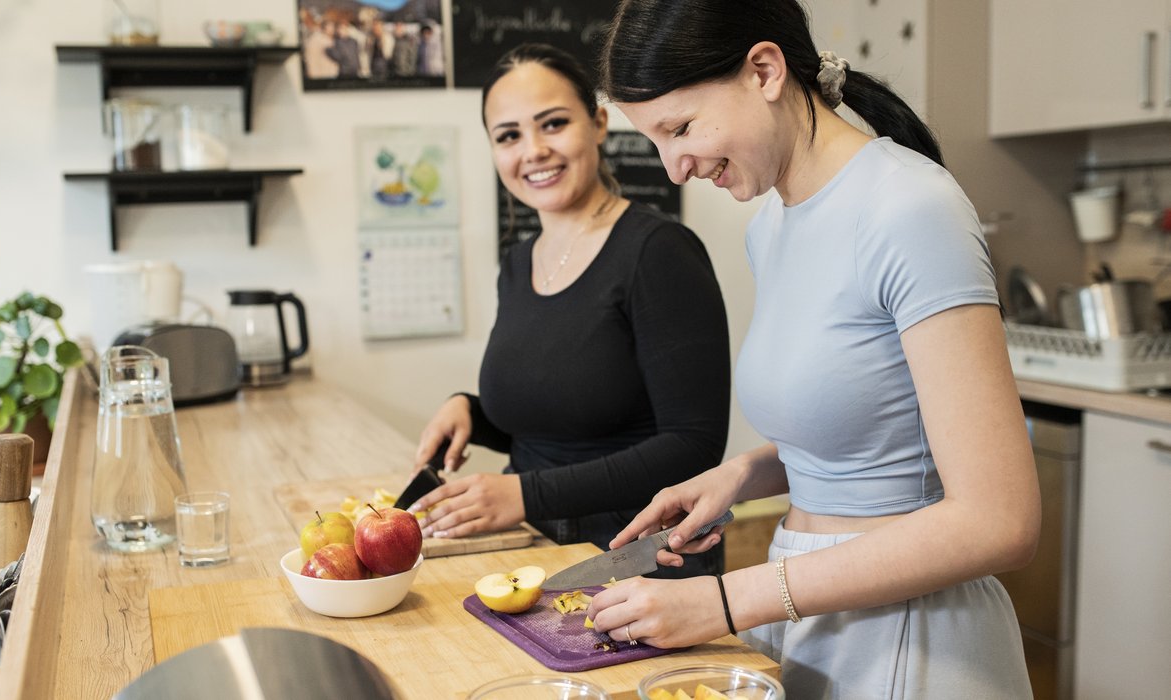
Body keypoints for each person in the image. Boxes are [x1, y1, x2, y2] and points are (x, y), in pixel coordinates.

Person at [584, 1, 1040, 697]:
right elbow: (875, 422)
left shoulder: (909, 208)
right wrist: (746, 475)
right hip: (807, 608)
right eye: (654, 141)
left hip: (911, 636)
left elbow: (999, 520)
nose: (673, 168)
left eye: (680, 128)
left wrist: (729, 601)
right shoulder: (772, 226)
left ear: (765, 70)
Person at [407, 43, 731, 579]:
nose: (532, 150)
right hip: (535, 553)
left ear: (599, 124)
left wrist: (526, 495)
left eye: (552, 124)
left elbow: (693, 445)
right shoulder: (517, 264)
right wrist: (471, 411)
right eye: (508, 136)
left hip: (638, 561)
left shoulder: (658, 251)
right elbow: (561, 419)